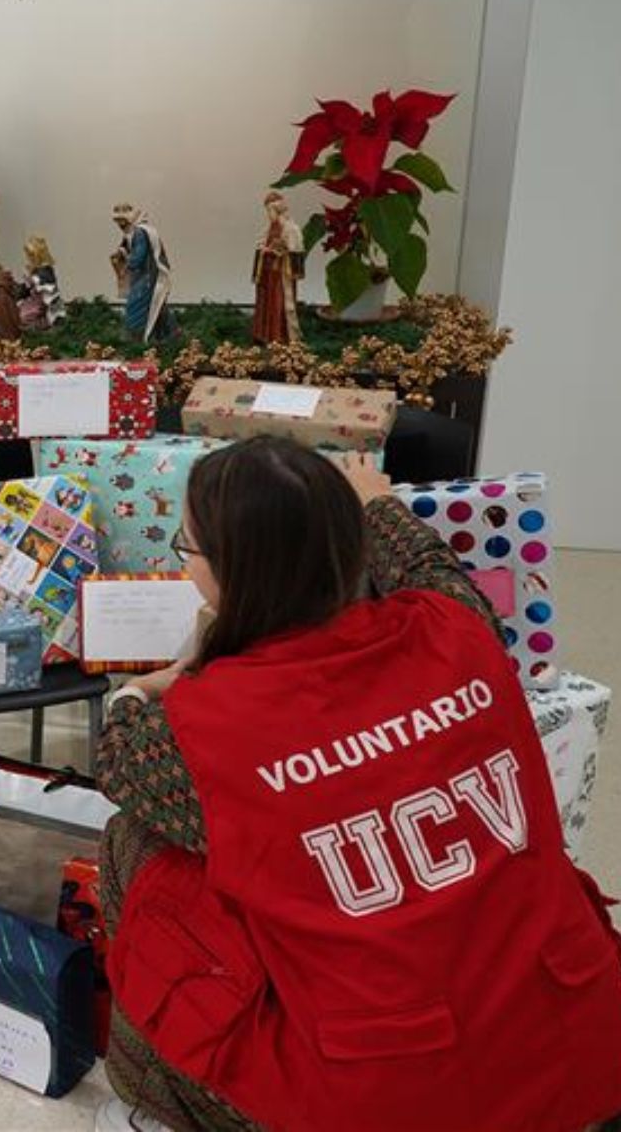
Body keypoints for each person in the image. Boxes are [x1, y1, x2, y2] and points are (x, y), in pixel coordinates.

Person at [91, 437, 621, 1132]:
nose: (181, 559)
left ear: (230, 572)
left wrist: (142, 689)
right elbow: (431, 565)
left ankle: (155, 1099)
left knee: (134, 843)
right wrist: (377, 505)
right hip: (578, 1039)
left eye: (184, 546)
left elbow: (116, 757)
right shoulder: (456, 630)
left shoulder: (202, 730)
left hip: (387, 1093)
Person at [110, 203, 174, 343]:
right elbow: (127, 247)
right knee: (157, 307)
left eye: (122, 221)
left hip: (149, 277)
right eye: (117, 222)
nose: (120, 225)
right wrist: (121, 253)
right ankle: (167, 335)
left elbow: (137, 258)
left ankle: (136, 338)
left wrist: (126, 260)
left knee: (136, 305)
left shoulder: (140, 232)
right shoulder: (134, 232)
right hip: (143, 276)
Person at [250, 190, 304, 345]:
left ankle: (280, 335)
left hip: (281, 275)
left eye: (269, 211)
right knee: (267, 303)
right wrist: (263, 249)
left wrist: (275, 251)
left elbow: (294, 251)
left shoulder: (290, 229)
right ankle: (265, 334)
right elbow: (263, 242)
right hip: (268, 274)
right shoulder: (270, 228)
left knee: (279, 303)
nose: (268, 214)